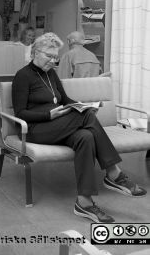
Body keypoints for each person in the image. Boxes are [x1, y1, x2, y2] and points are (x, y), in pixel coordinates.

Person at [12, 32, 146, 223]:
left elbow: (65, 100)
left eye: (55, 57)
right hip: (35, 129)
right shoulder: (22, 76)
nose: (53, 61)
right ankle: (113, 172)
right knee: (86, 118)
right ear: (35, 52)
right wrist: (47, 114)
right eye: (49, 56)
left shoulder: (51, 74)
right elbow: (20, 113)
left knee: (86, 137)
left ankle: (84, 202)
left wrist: (83, 106)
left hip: (59, 126)